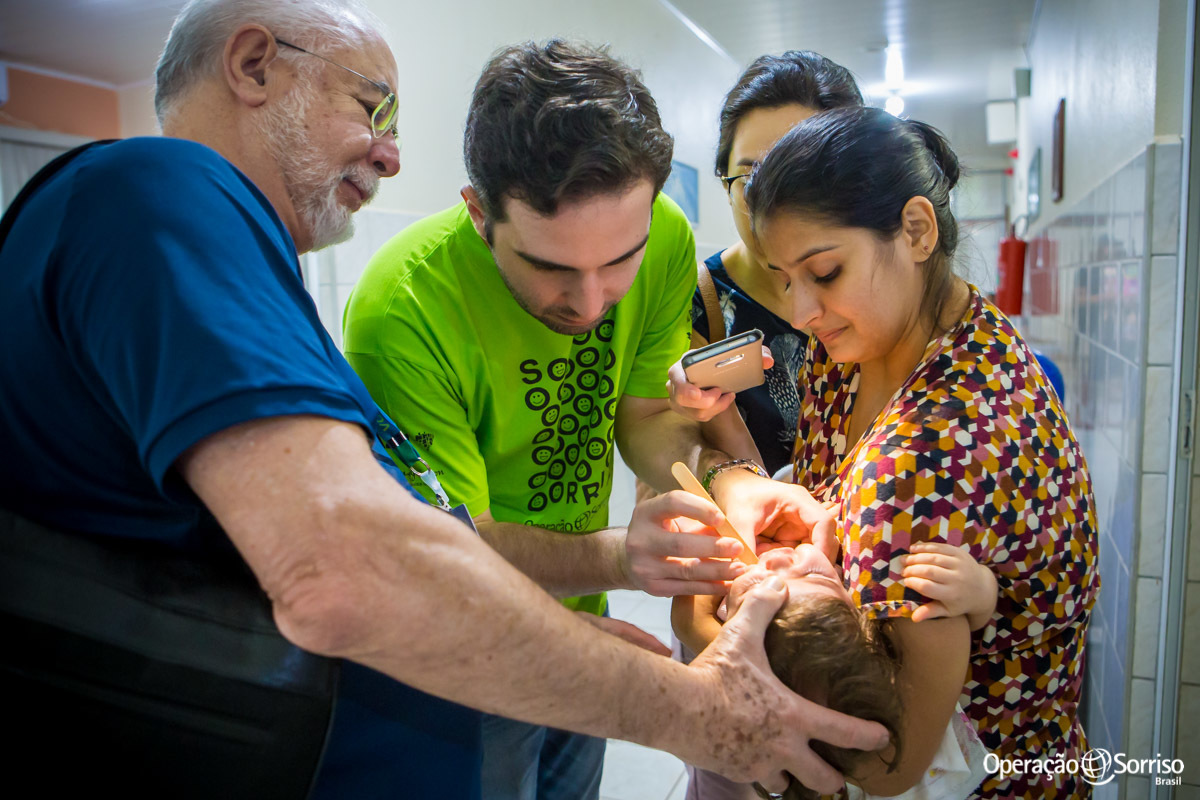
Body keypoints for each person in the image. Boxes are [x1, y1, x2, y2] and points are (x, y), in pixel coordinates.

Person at [0, 2, 892, 797]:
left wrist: (570, 630)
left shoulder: (238, 261)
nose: (391, 152)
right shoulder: (156, 192)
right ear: (254, 64)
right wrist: (694, 712)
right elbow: (343, 568)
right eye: (372, 106)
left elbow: (394, 515)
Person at [341, 38, 855, 800]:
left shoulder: (670, 238)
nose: (589, 305)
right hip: (462, 640)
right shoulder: (402, 310)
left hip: (586, 615)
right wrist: (620, 557)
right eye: (551, 269)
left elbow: (647, 417)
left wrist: (728, 481)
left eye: (621, 261)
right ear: (479, 213)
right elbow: (455, 544)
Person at [670, 106, 1101, 799]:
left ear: (917, 230)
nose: (802, 310)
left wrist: (700, 635)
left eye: (827, 271)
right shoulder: (879, 335)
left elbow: (885, 763)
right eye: (784, 279)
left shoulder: (925, 463)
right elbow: (709, 384)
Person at [674, 542, 997, 800]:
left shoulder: (804, 755)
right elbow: (963, 622)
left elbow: (687, 618)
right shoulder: (929, 639)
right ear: (868, 627)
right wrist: (982, 590)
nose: (774, 560)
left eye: (751, 593)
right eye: (819, 577)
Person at [670, 51, 863, 476]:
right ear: (724, 184)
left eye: (807, 177)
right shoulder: (691, 306)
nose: (774, 208)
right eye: (752, 179)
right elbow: (663, 466)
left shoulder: (880, 293)